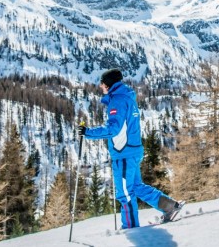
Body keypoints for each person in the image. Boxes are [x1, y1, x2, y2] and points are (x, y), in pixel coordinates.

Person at [78, 68, 183, 229]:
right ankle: (169, 207)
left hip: (124, 154)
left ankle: (131, 229)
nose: (100, 86)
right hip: (131, 151)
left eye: (102, 83)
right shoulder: (126, 98)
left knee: (124, 194)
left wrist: (88, 133)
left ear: (108, 85)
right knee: (135, 187)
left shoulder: (117, 101)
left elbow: (113, 129)